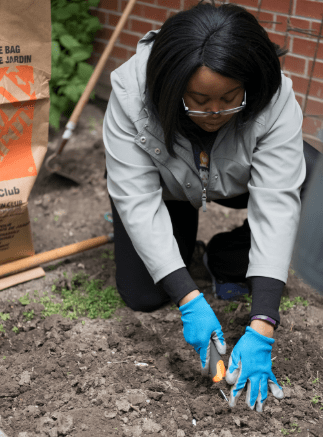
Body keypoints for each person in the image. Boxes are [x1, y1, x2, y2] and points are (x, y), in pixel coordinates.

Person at [103, 0, 320, 412]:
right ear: (171, 85)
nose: (215, 112)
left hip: (239, 180)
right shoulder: (131, 93)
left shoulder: (273, 95)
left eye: (229, 98)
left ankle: (227, 255)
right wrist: (188, 299)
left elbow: (276, 202)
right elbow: (135, 198)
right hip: (170, 188)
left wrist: (263, 324)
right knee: (144, 294)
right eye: (198, 99)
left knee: (316, 185)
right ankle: (189, 252)